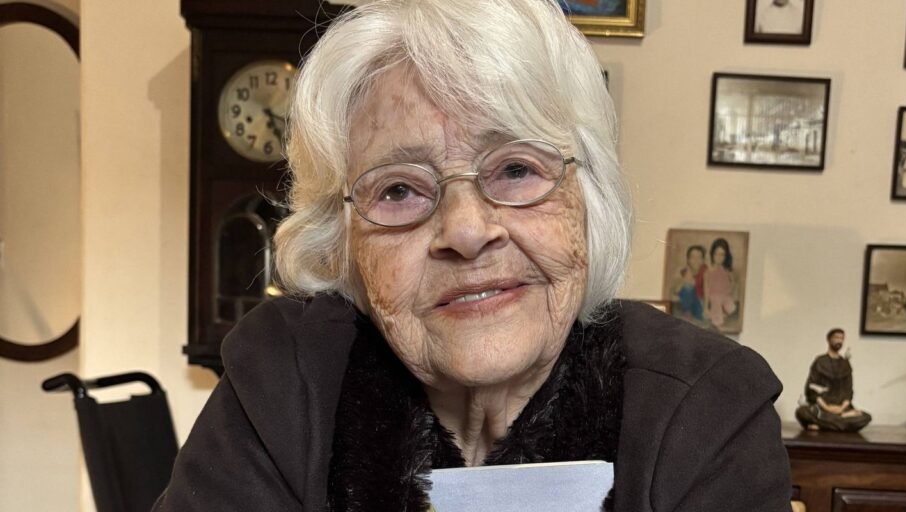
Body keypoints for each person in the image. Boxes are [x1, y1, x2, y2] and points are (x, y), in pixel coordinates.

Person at [153, 1, 791, 511]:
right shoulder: (282, 378)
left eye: (515, 169)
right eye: (398, 190)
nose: (464, 230)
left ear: (588, 200)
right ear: (343, 243)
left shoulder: (706, 406)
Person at [795, 328, 872, 432]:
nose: (839, 341)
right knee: (802, 412)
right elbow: (811, 388)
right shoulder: (820, 361)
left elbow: (848, 390)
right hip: (822, 407)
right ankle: (840, 421)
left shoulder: (845, 364)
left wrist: (841, 408)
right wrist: (826, 407)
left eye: (842, 338)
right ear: (829, 339)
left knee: (866, 417)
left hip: (842, 408)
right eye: (836, 337)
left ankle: (823, 424)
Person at [704, 238, 738, 330]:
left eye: (722, 255)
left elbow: (733, 284)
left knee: (732, 308)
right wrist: (706, 307)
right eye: (716, 254)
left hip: (725, 295)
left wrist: (730, 292)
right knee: (716, 302)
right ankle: (717, 321)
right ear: (712, 254)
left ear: (726, 256)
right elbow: (706, 289)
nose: (719, 257)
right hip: (714, 296)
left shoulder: (727, 271)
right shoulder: (708, 272)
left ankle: (721, 314)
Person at [675, 245, 707, 322]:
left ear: (703, 260)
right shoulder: (684, 271)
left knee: (700, 317)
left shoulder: (705, 271)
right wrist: (685, 280)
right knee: (688, 287)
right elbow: (677, 291)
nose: (696, 260)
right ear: (688, 260)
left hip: (699, 301)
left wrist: (705, 308)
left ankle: (694, 313)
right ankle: (687, 312)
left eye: (699, 257)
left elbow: (707, 290)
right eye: (693, 257)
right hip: (687, 301)